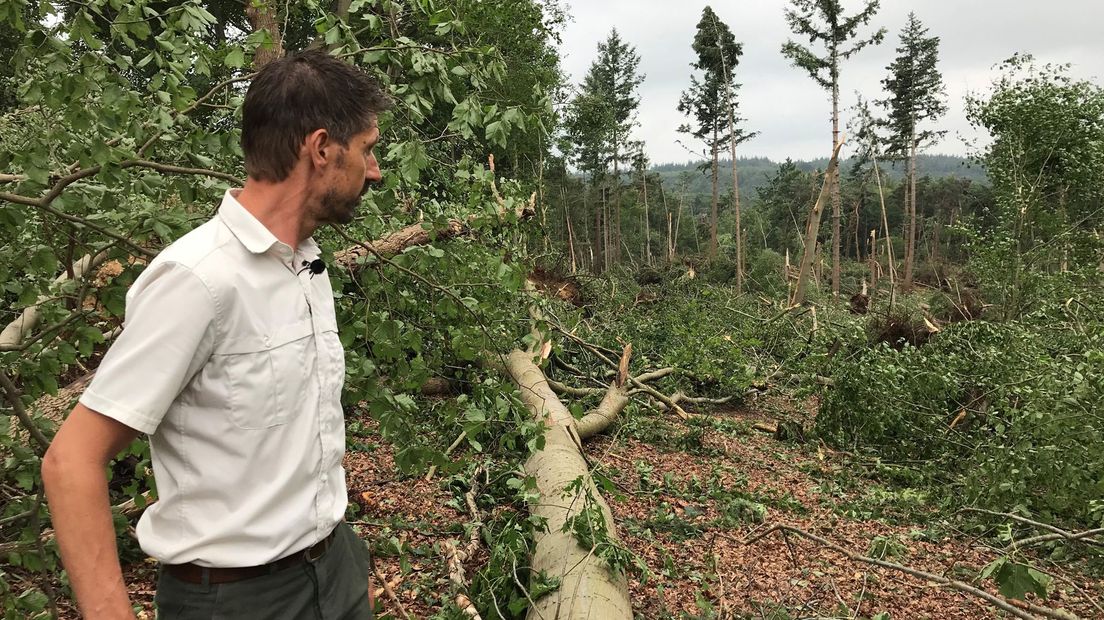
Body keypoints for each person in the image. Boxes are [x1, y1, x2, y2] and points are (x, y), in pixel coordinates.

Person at [41, 49, 389, 619]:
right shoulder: (198, 280)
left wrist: (343, 563)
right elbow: (70, 461)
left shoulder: (305, 265)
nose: (373, 170)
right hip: (234, 599)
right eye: (367, 150)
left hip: (335, 568)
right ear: (321, 148)